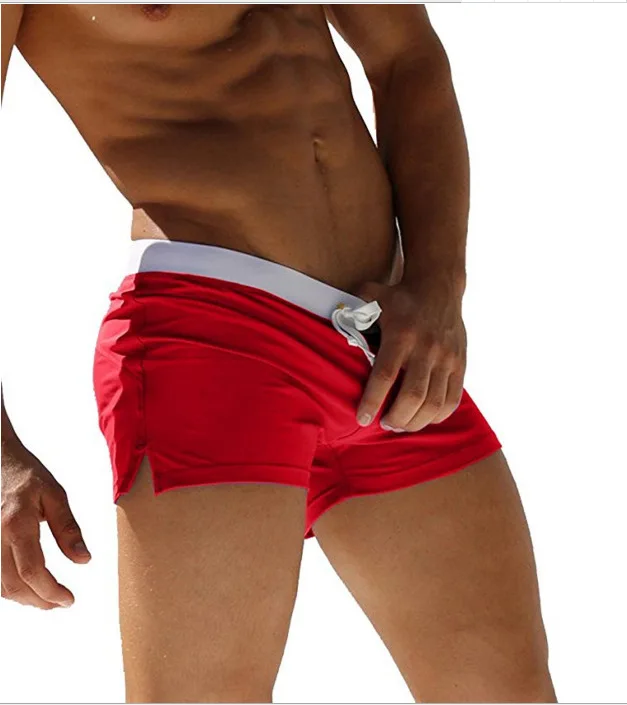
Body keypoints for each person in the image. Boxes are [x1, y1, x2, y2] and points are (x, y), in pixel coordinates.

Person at [0, 4, 556, 703]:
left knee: (508, 691)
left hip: (382, 338)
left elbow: (406, 56)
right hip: (211, 332)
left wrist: (439, 285)